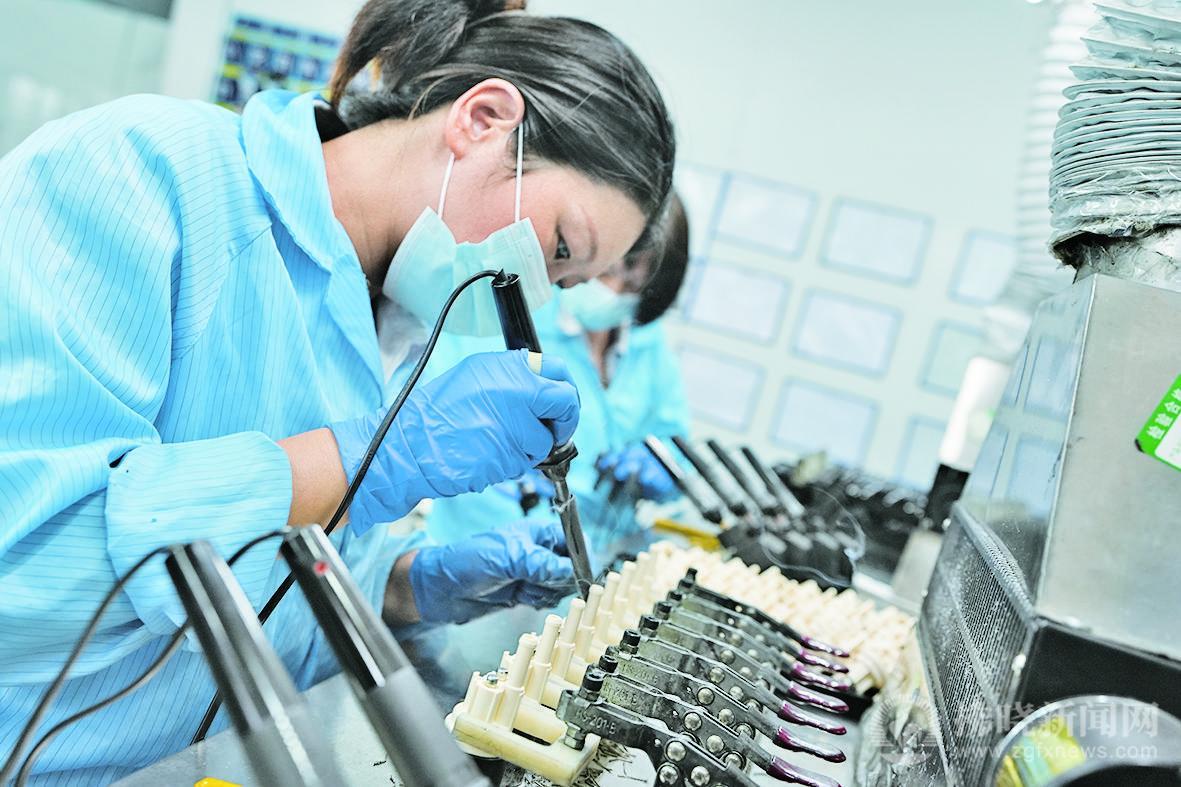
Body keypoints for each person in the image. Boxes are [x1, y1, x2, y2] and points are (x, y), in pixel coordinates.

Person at [0, 0, 675, 781]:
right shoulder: (136, 172)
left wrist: (405, 585)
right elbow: (25, 573)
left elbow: (264, 592)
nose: (539, 293)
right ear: (482, 120)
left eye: (567, 280)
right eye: (557, 247)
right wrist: (364, 461)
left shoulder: (401, 319)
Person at [426, 195, 692, 555]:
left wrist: (663, 467)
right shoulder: (510, 316)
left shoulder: (649, 342)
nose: (614, 294)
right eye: (609, 274)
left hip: (603, 551)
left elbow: (675, 443)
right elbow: (442, 421)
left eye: (633, 287)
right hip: (490, 541)